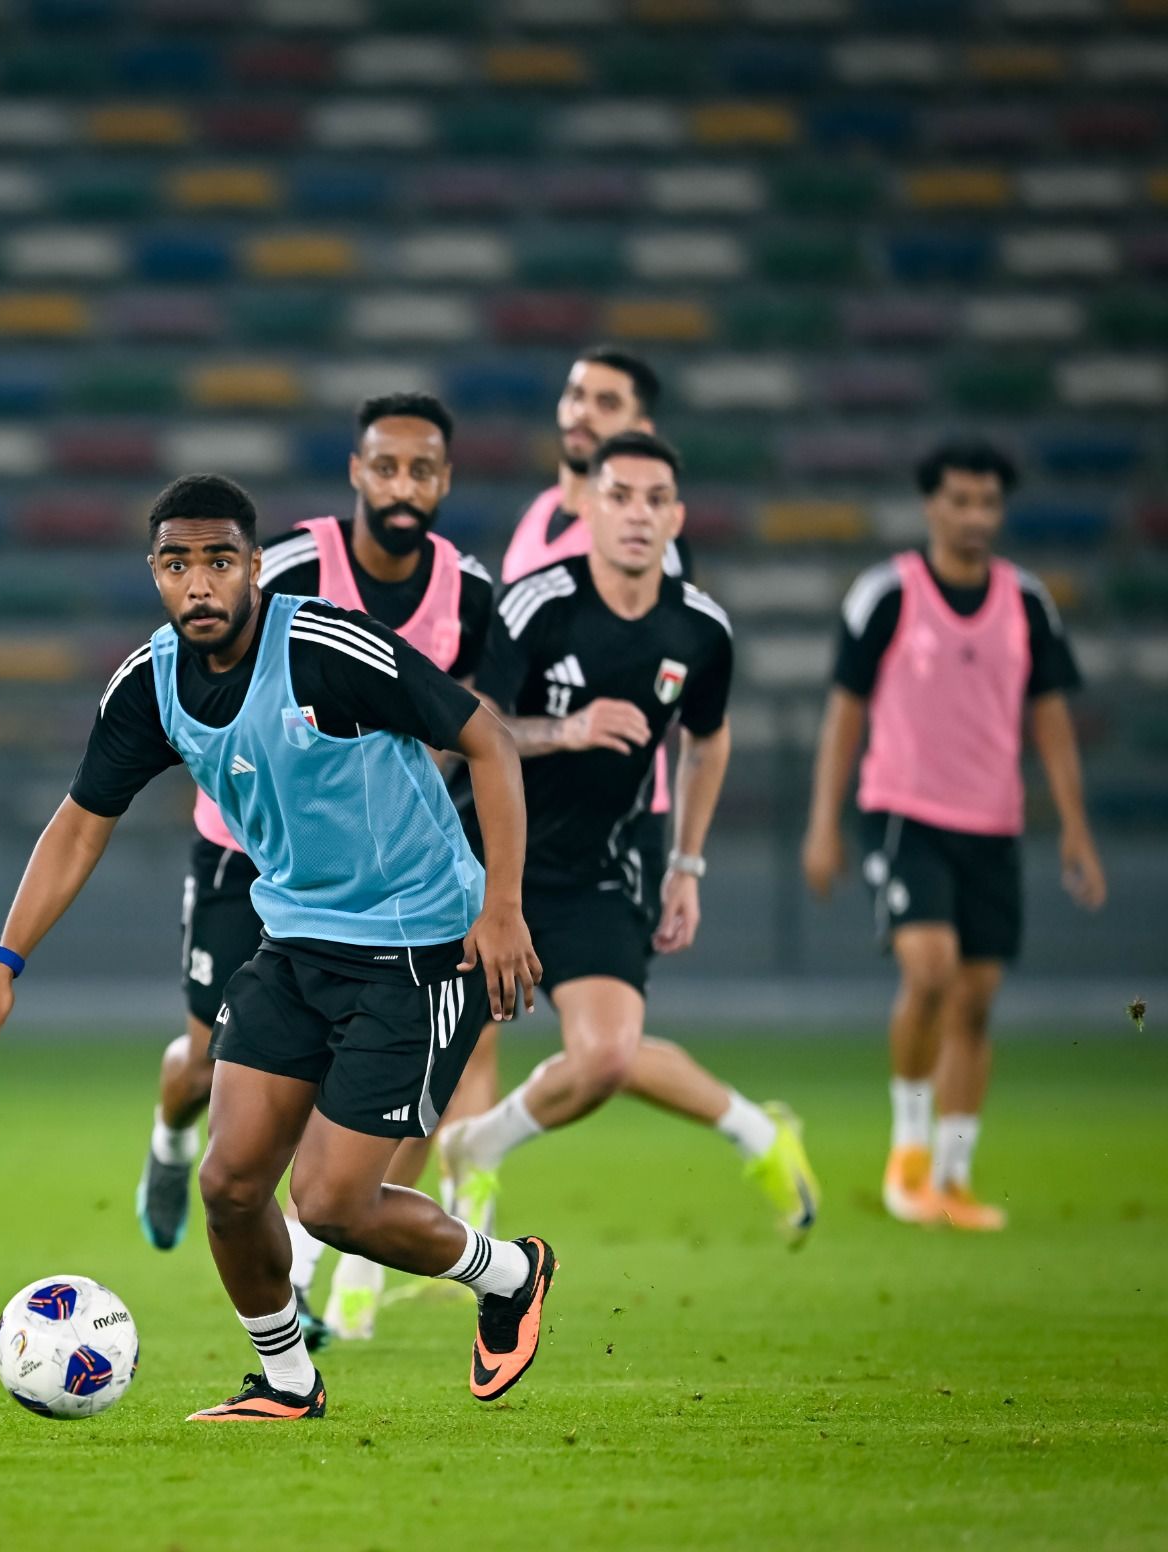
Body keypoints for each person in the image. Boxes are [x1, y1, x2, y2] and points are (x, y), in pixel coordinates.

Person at [0, 473, 553, 1422]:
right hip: (297, 940)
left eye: (219, 561)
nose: (199, 584)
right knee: (230, 1185)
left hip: (422, 945)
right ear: (154, 574)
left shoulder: (323, 647)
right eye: (177, 564)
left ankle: (510, 1274)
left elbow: (491, 741)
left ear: (255, 568)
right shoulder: (149, 684)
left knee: (331, 1206)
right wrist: (3, 965)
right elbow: (77, 827)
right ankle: (286, 1384)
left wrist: (505, 908)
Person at [132, 393, 498, 1348]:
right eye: (387, 466)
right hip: (241, 853)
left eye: (423, 469)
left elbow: (481, 727)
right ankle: (171, 1146)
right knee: (204, 1068)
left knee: (320, 1160)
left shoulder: (471, 592)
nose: (404, 484)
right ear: (357, 471)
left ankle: (304, 1286)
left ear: (445, 480)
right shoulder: (283, 570)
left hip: (371, 899)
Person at [445, 353, 809, 1242]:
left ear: (674, 515)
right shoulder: (536, 571)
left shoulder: (697, 625)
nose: (637, 513)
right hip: (489, 842)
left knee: (604, 1053)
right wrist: (564, 731)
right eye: (574, 394)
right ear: (590, 502)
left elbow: (707, 737)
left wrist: (685, 861)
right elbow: (475, 721)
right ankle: (346, 1272)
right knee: (439, 1044)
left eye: (655, 500)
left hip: (609, 843)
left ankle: (471, 1158)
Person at [802, 437, 1106, 1229]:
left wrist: (1075, 829)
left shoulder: (1026, 603)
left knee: (976, 1000)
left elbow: (1051, 721)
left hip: (992, 822)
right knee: (930, 969)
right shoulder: (889, 594)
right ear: (931, 504)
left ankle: (955, 1175)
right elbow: (845, 711)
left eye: (988, 503)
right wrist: (823, 825)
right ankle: (908, 1155)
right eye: (960, 501)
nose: (975, 517)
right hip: (904, 813)